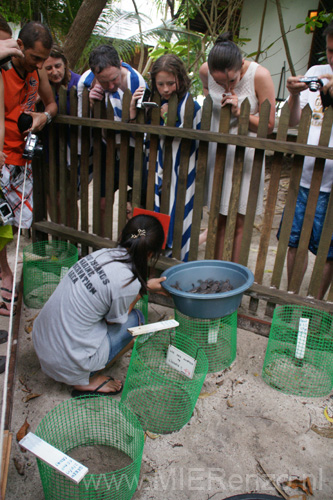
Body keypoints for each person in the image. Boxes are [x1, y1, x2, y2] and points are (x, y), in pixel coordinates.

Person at [33, 214, 166, 396]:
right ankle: (86, 379)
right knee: (137, 319)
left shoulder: (103, 254)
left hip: (43, 343)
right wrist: (143, 290)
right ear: (151, 254)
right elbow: (114, 321)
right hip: (66, 362)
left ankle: (79, 367)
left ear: (122, 235)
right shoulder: (128, 281)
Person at [199, 32, 275, 262]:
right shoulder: (205, 72)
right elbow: (207, 98)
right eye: (219, 82)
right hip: (217, 152)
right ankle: (215, 268)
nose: (225, 87)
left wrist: (241, 114)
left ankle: (231, 274)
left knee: (239, 219)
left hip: (245, 155)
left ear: (241, 64)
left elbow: (269, 125)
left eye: (231, 81)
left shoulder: (259, 76)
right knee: (217, 216)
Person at [0, 21, 57, 316]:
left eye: (43, 60)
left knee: (14, 226)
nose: (39, 65)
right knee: (0, 227)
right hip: (2, 159)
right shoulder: (3, 69)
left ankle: (6, 274)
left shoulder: (36, 73)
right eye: (35, 58)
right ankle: (5, 274)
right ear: (19, 46)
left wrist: (41, 118)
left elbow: (52, 104)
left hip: (23, 158)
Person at [277, 22, 333, 300]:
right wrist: (295, 93)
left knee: (328, 250)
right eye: (332, 51)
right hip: (305, 177)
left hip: (331, 186)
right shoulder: (316, 73)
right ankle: (291, 299)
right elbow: (295, 121)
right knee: (294, 243)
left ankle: (313, 304)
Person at [131, 54, 201, 261]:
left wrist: (168, 120)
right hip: (157, 169)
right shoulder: (154, 102)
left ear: (180, 79)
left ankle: (178, 262)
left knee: (180, 215)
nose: (166, 89)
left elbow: (193, 139)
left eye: (171, 83)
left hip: (183, 172)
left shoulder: (192, 107)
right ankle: (157, 261)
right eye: (160, 84)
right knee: (157, 212)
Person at [77, 45, 147, 233]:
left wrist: (131, 114)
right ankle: (102, 245)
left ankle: (133, 245)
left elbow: (143, 131)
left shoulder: (136, 81)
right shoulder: (86, 82)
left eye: (114, 79)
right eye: (103, 81)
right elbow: (82, 124)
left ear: (120, 65)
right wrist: (90, 104)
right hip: (105, 150)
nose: (110, 86)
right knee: (102, 202)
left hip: (133, 152)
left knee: (138, 204)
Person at [44, 43, 80, 112]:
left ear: (65, 64)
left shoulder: (79, 82)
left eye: (58, 66)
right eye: (49, 68)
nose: (54, 72)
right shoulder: (39, 86)